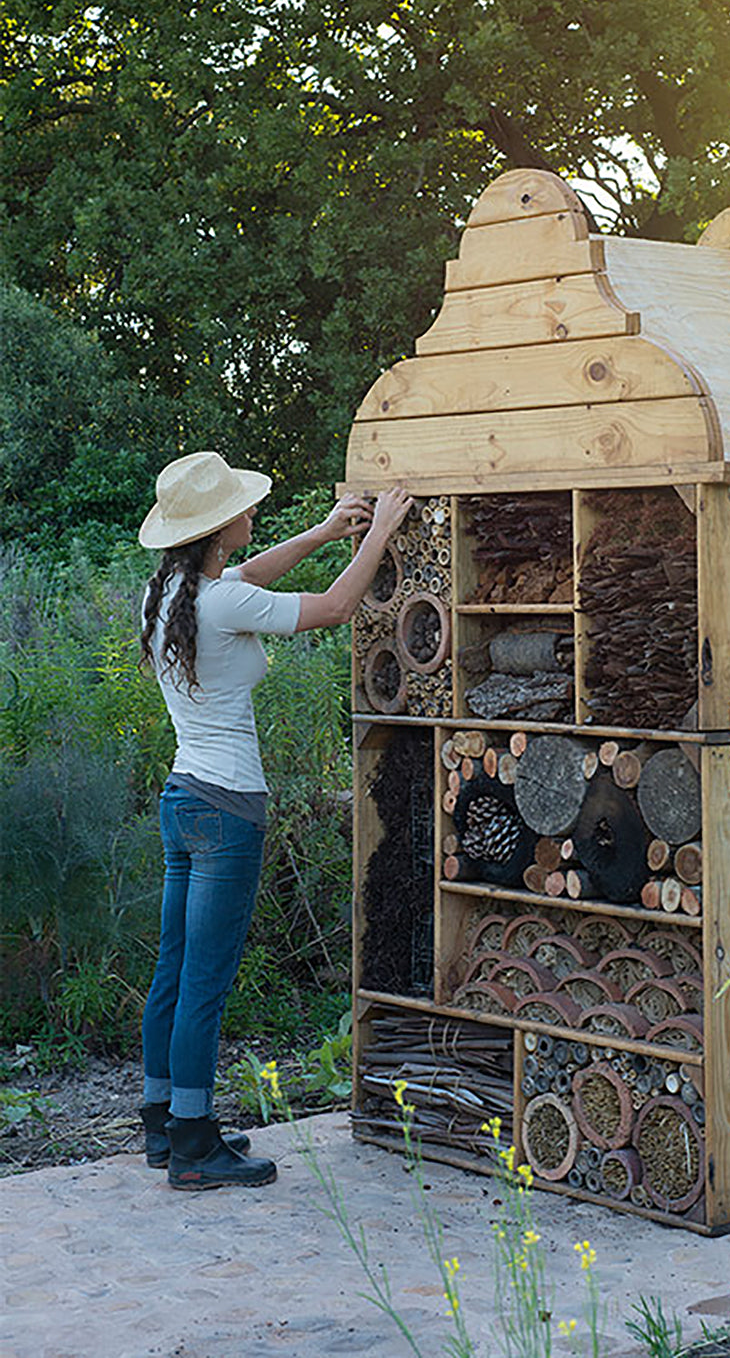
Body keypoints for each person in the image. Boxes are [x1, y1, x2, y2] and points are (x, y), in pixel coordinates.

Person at [137, 450, 411, 1190]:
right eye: (242, 505)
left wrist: (325, 531)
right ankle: (196, 1146)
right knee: (205, 982)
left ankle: (162, 1123)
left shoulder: (165, 595)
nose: (251, 511)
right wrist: (380, 530)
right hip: (228, 811)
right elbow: (332, 609)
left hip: (183, 799)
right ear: (221, 525)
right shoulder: (217, 601)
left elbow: (249, 578)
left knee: (173, 969)